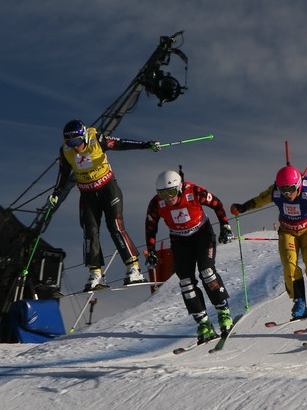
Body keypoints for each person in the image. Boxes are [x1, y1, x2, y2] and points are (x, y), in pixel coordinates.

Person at [49, 119, 161, 292]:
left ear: (84, 137)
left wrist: (146, 145)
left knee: (115, 226)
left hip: (108, 189)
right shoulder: (66, 151)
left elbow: (121, 144)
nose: (75, 146)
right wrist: (56, 194)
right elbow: (63, 174)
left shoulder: (96, 140)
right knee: (89, 231)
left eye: (77, 141)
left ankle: (133, 268)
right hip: (87, 194)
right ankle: (95, 272)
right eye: (70, 143)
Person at [231, 165, 307, 321]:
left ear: (298, 185)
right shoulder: (275, 191)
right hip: (288, 231)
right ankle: (299, 302)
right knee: (289, 266)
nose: (287, 194)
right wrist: (242, 208)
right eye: (283, 190)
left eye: (290, 189)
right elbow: (259, 200)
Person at [144, 171, 235, 344]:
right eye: (162, 193)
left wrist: (225, 226)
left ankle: (223, 312)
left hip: (202, 234)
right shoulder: (157, 203)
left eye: (170, 192)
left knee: (207, 272)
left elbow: (216, 203)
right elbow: (150, 226)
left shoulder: (192, 191)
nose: (167, 198)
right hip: (179, 240)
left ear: (179, 188)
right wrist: (151, 251)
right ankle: (202, 322)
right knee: (185, 281)